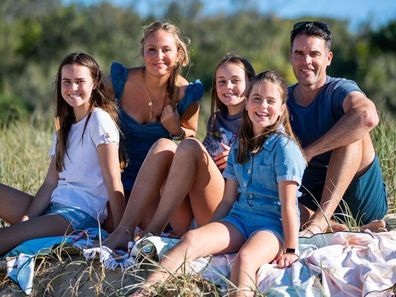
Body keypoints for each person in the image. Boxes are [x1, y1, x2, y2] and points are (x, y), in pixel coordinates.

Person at [132, 71, 306, 297]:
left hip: (271, 226)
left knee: (245, 258)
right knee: (191, 239)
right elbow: (227, 199)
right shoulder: (240, 145)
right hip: (240, 218)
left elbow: (289, 205)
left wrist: (291, 249)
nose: (263, 106)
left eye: (271, 101)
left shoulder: (284, 148)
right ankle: (145, 291)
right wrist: (209, 230)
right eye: (256, 99)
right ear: (246, 104)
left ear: (282, 109)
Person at [103, 53, 256, 251]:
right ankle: (125, 231)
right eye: (222, 81)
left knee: (190, 146)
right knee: (163, 145)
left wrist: (239, 162)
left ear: (251, 82)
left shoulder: (256, 122)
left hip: (227, 216)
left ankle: (151, 233)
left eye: (235, 81)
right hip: (193, 213)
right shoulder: (216, 120)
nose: (228, 87)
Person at [0, 52, 125, 255]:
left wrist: (122, 232)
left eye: (80, 81)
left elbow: (114, 183)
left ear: (95, 83)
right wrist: (26, 219)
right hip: (54, 206)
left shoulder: (98, 120)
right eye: (66, 81)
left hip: (79, 216)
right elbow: (50, 183)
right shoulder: (65, 126)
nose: (72, 88)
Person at [287, 21, 387, 236]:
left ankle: (322, 221)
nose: (306, 61)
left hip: (357, 199)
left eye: (314, 54)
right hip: (306, 201)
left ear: (328, 58)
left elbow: (367, 116)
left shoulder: (339, 89)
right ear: (291, 56)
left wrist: (308, 153)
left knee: (354, 131)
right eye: (299, 53)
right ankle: (337, 226)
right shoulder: (281, 100)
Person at [107, 21, 204, 197]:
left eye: (166, 49)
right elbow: (88, 103)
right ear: (143, 53)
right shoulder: (120, 81)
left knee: (146, 223)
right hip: (113, 179)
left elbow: (191, 137)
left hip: (157, 186)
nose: (158, 56)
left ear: (179, 55)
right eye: (151, 49)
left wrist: (175, 129)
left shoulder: (186, 94)